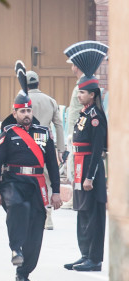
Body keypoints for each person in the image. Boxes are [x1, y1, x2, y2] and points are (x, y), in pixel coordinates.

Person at [0, 91, 62, 281]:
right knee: (18, 207)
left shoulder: (43, 132)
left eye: (29, 110)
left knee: (36, 229)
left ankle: (23, 274)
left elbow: (52, 165)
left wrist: (56, 191)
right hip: (13, 181)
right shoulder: (8, 133)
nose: (26, 114)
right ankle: (15, 249)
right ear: (14, 113)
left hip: (37, 184)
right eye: (22, 111)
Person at [64, 75, 107, 271]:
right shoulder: (84, 113)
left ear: (92, 94)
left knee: (94, 214)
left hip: (91, 169)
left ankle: (94, 259)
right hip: (80, 165)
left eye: (82, 92)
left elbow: (98, 150)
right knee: (82, 212)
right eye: (79, 91)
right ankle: (84, 254)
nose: (79, 95)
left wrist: (90, 176)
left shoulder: (96, 116)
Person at [26, 70, 65, 230]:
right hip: (45, 141)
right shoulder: (50, 100)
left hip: (27, 142)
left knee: (27, 177)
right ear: (38, 83)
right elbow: (58, 125)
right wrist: (61, 149)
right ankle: (48, 216)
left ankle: (30, 214)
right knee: (47, 179)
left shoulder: (22, 100)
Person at [63, 61, 83, 209]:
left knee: (75, 164)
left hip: (77, 132)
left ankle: (75, 199)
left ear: (76, 66)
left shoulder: (81, 87)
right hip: (74, 131)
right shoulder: (82, 84)